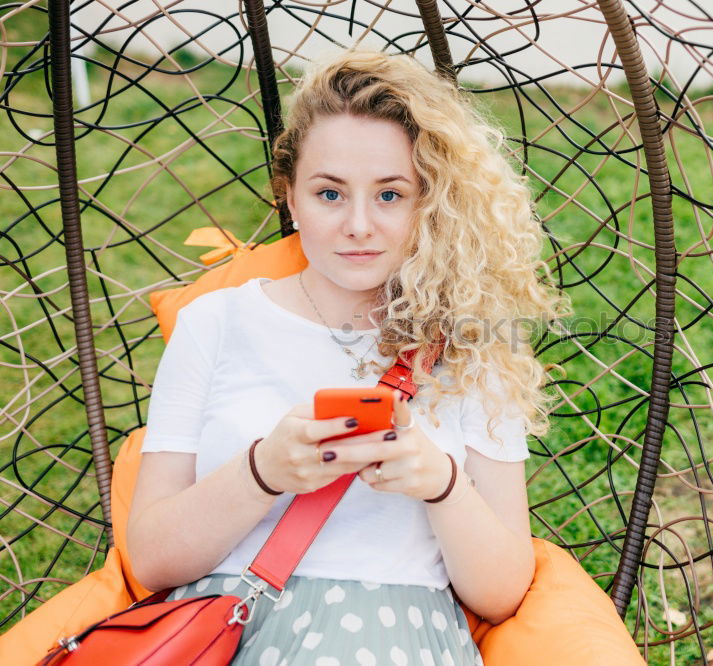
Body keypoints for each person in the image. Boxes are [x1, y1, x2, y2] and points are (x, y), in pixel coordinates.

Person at [127, 46, 570, 665]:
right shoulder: (217, 323)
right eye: (330, 194)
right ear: (288, 195)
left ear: (432, 200)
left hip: (395, 639)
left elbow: (500, 593)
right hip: (221, 631)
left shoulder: (472, 341)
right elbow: (149, 560)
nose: (358, 225)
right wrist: (263, 471)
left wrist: (440, 484)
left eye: (390, 195)